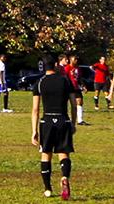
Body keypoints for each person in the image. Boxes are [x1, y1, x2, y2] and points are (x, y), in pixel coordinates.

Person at [32, 53, 77, 200]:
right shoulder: (65, 80)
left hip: (47, 121)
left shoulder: (39, 83)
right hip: (63, 120)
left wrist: (34, 131)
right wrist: (74, 123)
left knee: (46, 154)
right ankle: (64, 177)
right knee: (63, 153)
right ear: (56, 65)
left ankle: (47, 189)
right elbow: (73, 103)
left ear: (43, 66)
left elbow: (35, 109)